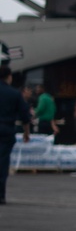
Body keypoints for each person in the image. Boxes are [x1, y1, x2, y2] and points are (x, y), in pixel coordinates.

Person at [0, 66, 30, 204]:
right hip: (6, 130)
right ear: (9, 77)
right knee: (2, 162)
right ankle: (1, 195)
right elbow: (25, 116)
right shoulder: (14, 94)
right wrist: (26, 133)